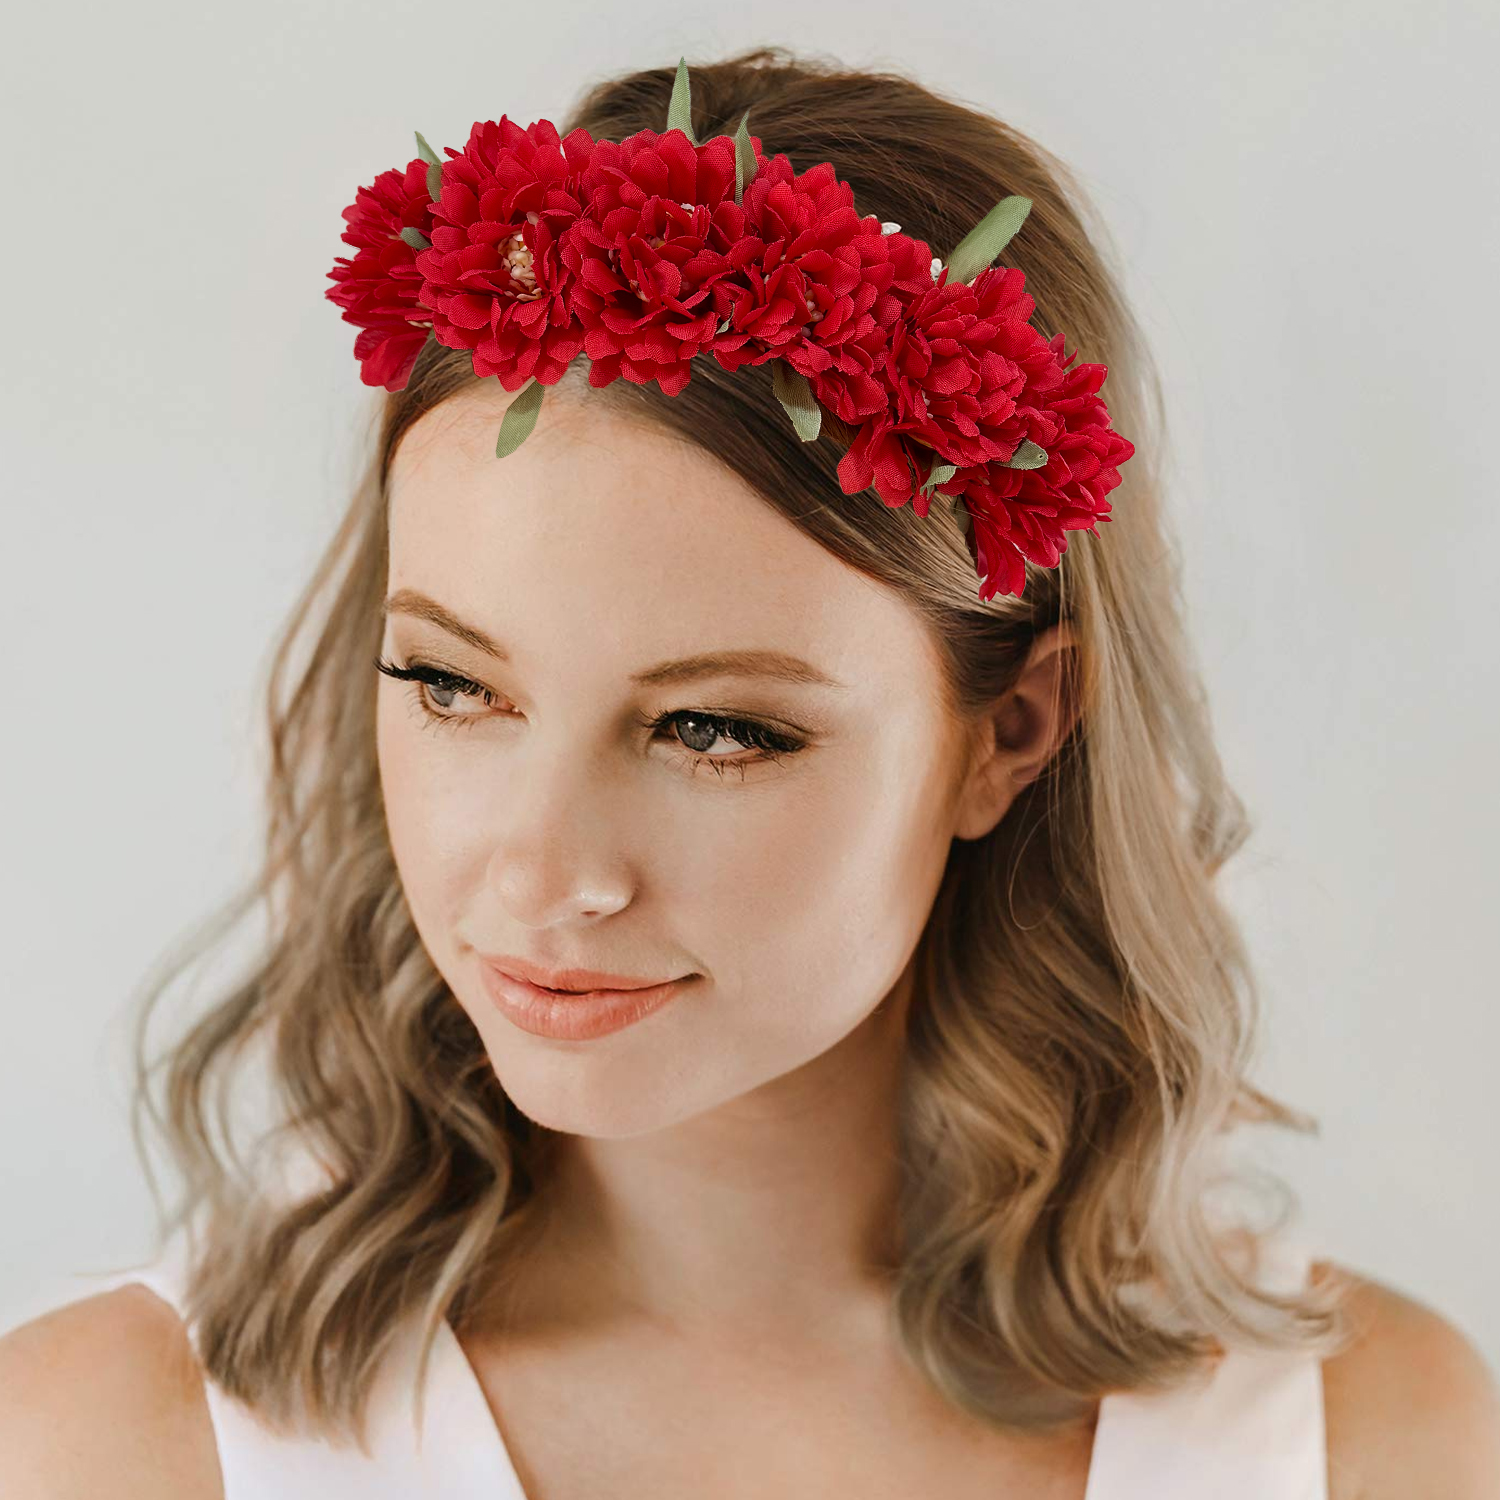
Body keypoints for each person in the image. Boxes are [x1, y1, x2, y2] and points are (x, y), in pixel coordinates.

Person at [3, 44, 1497, 1500]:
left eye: (714, 730)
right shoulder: (110, 1450)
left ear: (1016, 731)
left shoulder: (1374, 1446)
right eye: (453, 685)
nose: (538, 875)